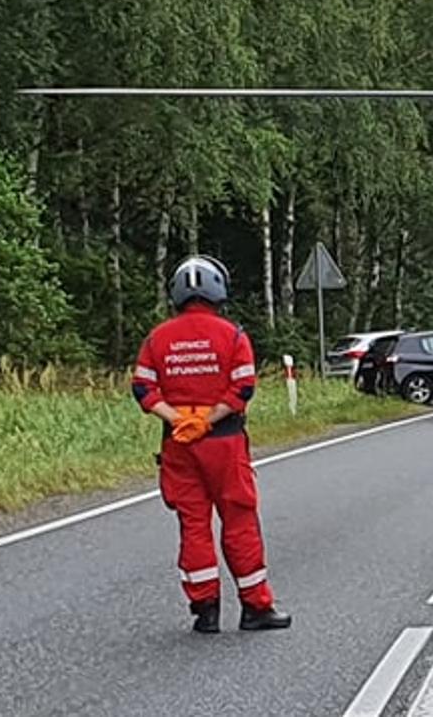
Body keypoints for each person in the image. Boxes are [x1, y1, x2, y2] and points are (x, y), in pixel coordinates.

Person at [132, 255, 291, 634]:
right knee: (239, 522)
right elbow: (243, 389)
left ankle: (205, 610)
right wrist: (208, 419)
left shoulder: (157, 338)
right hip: (224, 443)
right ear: (219, 290)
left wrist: (178, 419)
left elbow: (143, 388)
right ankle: (256, 608)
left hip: (179, 446)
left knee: (193, 524)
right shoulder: (233, 336)